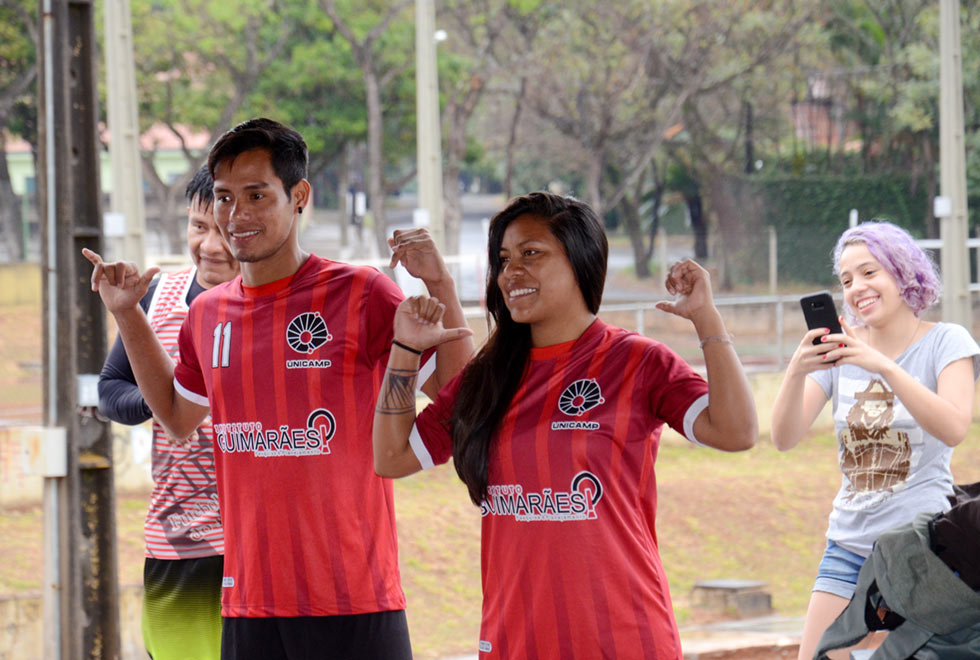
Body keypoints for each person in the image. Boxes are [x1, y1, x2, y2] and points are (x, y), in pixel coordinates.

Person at [84, 118, 474, 659]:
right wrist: (128, 314)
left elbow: (462, 393)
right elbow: (175, 416)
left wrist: (440, 285)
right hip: (248, 605)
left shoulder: (360, 293)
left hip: (353, 601)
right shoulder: (208, 313)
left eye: (256, 195)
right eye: (224, 197)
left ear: (299, 197)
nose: (235, 215)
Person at [372, 192, 757, 659]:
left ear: (581, 260)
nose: (512, 272)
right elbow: (391, 458)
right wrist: (405, 352)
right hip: (516, 643)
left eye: (531, 254)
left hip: (625, 642)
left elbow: (736, 431)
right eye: (504, 259)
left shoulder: (637, 361)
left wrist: (706, 318)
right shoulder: (488, 378)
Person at [770, 221, 980, 660]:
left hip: (915, 551)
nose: (855, 287)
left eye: (869, 272)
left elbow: (955, 425)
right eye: (846, 279)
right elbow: (784, 438)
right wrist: (797, 369)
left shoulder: (947, 341)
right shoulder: (840, 352)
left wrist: (883, 366)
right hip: (847, 545)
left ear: (903, 272)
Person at [97, 165, 237, 660]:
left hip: (261, 542)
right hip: (180, 539)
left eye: (223, 230)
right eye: (199, 227)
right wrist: (167, 403)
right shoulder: (157, 297)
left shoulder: (278, 308)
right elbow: (111, 389)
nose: (211, 245)